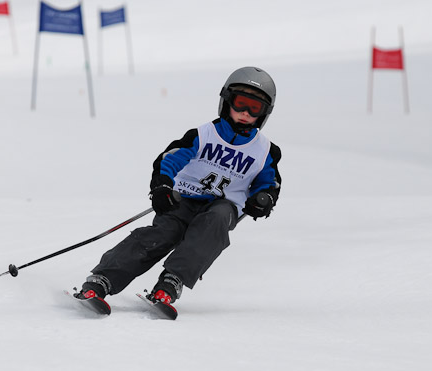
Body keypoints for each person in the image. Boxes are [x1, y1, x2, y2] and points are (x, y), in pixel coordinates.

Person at [77, 66, 282, 307]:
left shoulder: (265, 151)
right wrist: (162, 186)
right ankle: (102, 280)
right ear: (226, 101)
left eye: (254, 108)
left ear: (264, 113)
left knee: (215, 221)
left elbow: (270, 183)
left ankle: (171, 281)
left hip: (222, 208)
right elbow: (169, 159)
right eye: (240, 103)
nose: (245, 112)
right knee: (163, 234)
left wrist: (264, 198)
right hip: (184, 200)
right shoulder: (203, 135)